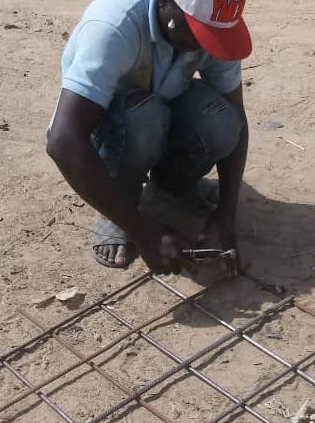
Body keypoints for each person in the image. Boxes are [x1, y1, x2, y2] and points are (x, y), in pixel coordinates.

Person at [46, 0, 252, 275]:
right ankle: (120, 204)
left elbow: (237, 116)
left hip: (163, 103)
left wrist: (228, 211)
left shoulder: (216, 21)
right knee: (144, 120)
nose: (205, 45)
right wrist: (144, 233)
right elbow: (64, 141)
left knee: (222, 122)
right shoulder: (113, 27)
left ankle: (171, 186)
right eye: (198, 33)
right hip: (109, 125)